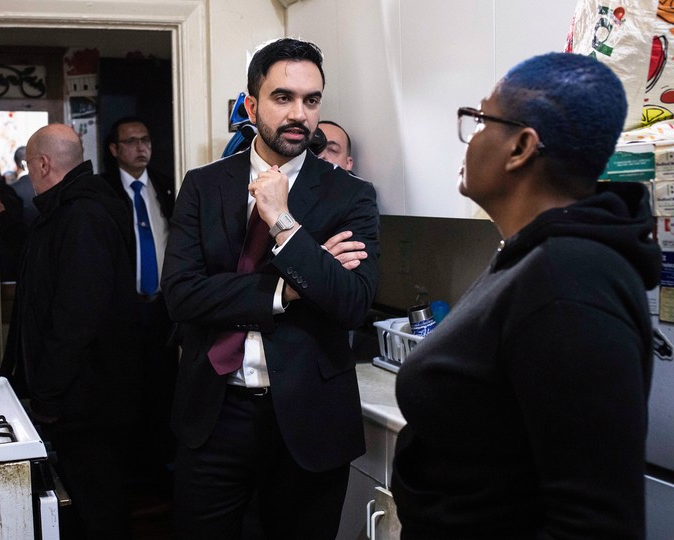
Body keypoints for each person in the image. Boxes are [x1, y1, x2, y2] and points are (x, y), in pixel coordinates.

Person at [391, 52, 661, 539]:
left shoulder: (569, 280)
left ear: (520, 147)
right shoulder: (533, 258)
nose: (470, 134)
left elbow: (593, 523)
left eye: (479, 118)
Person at [161, 37, 379, 539]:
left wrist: (283, 222)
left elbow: (351, 302)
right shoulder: (204, 184)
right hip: (215, 415)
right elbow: (181, 295)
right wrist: (290, 290)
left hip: (310, 420)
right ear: (252, 104)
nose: (299, 113)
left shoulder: (351, 196)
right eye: (283, 98)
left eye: (311, 99)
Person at [0, 124, 144, 539]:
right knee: (93, 499)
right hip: (83, 396)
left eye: (29, 166)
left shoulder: (84, 214)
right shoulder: (70, 208)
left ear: (43, 164)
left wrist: (46, 393)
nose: (28, 175)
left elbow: (76, 316)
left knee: (100, 504)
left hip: (88, 400)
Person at [102, 116, 178, 498]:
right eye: (131, 142)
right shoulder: (104, 191)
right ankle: (128, 472)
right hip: (123, 309)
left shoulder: (165, 185)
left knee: (164, 388)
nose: (141, 147)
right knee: (125, 391)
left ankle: (160, 470)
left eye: (145, 140)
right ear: (115, 149)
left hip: (163, 308)